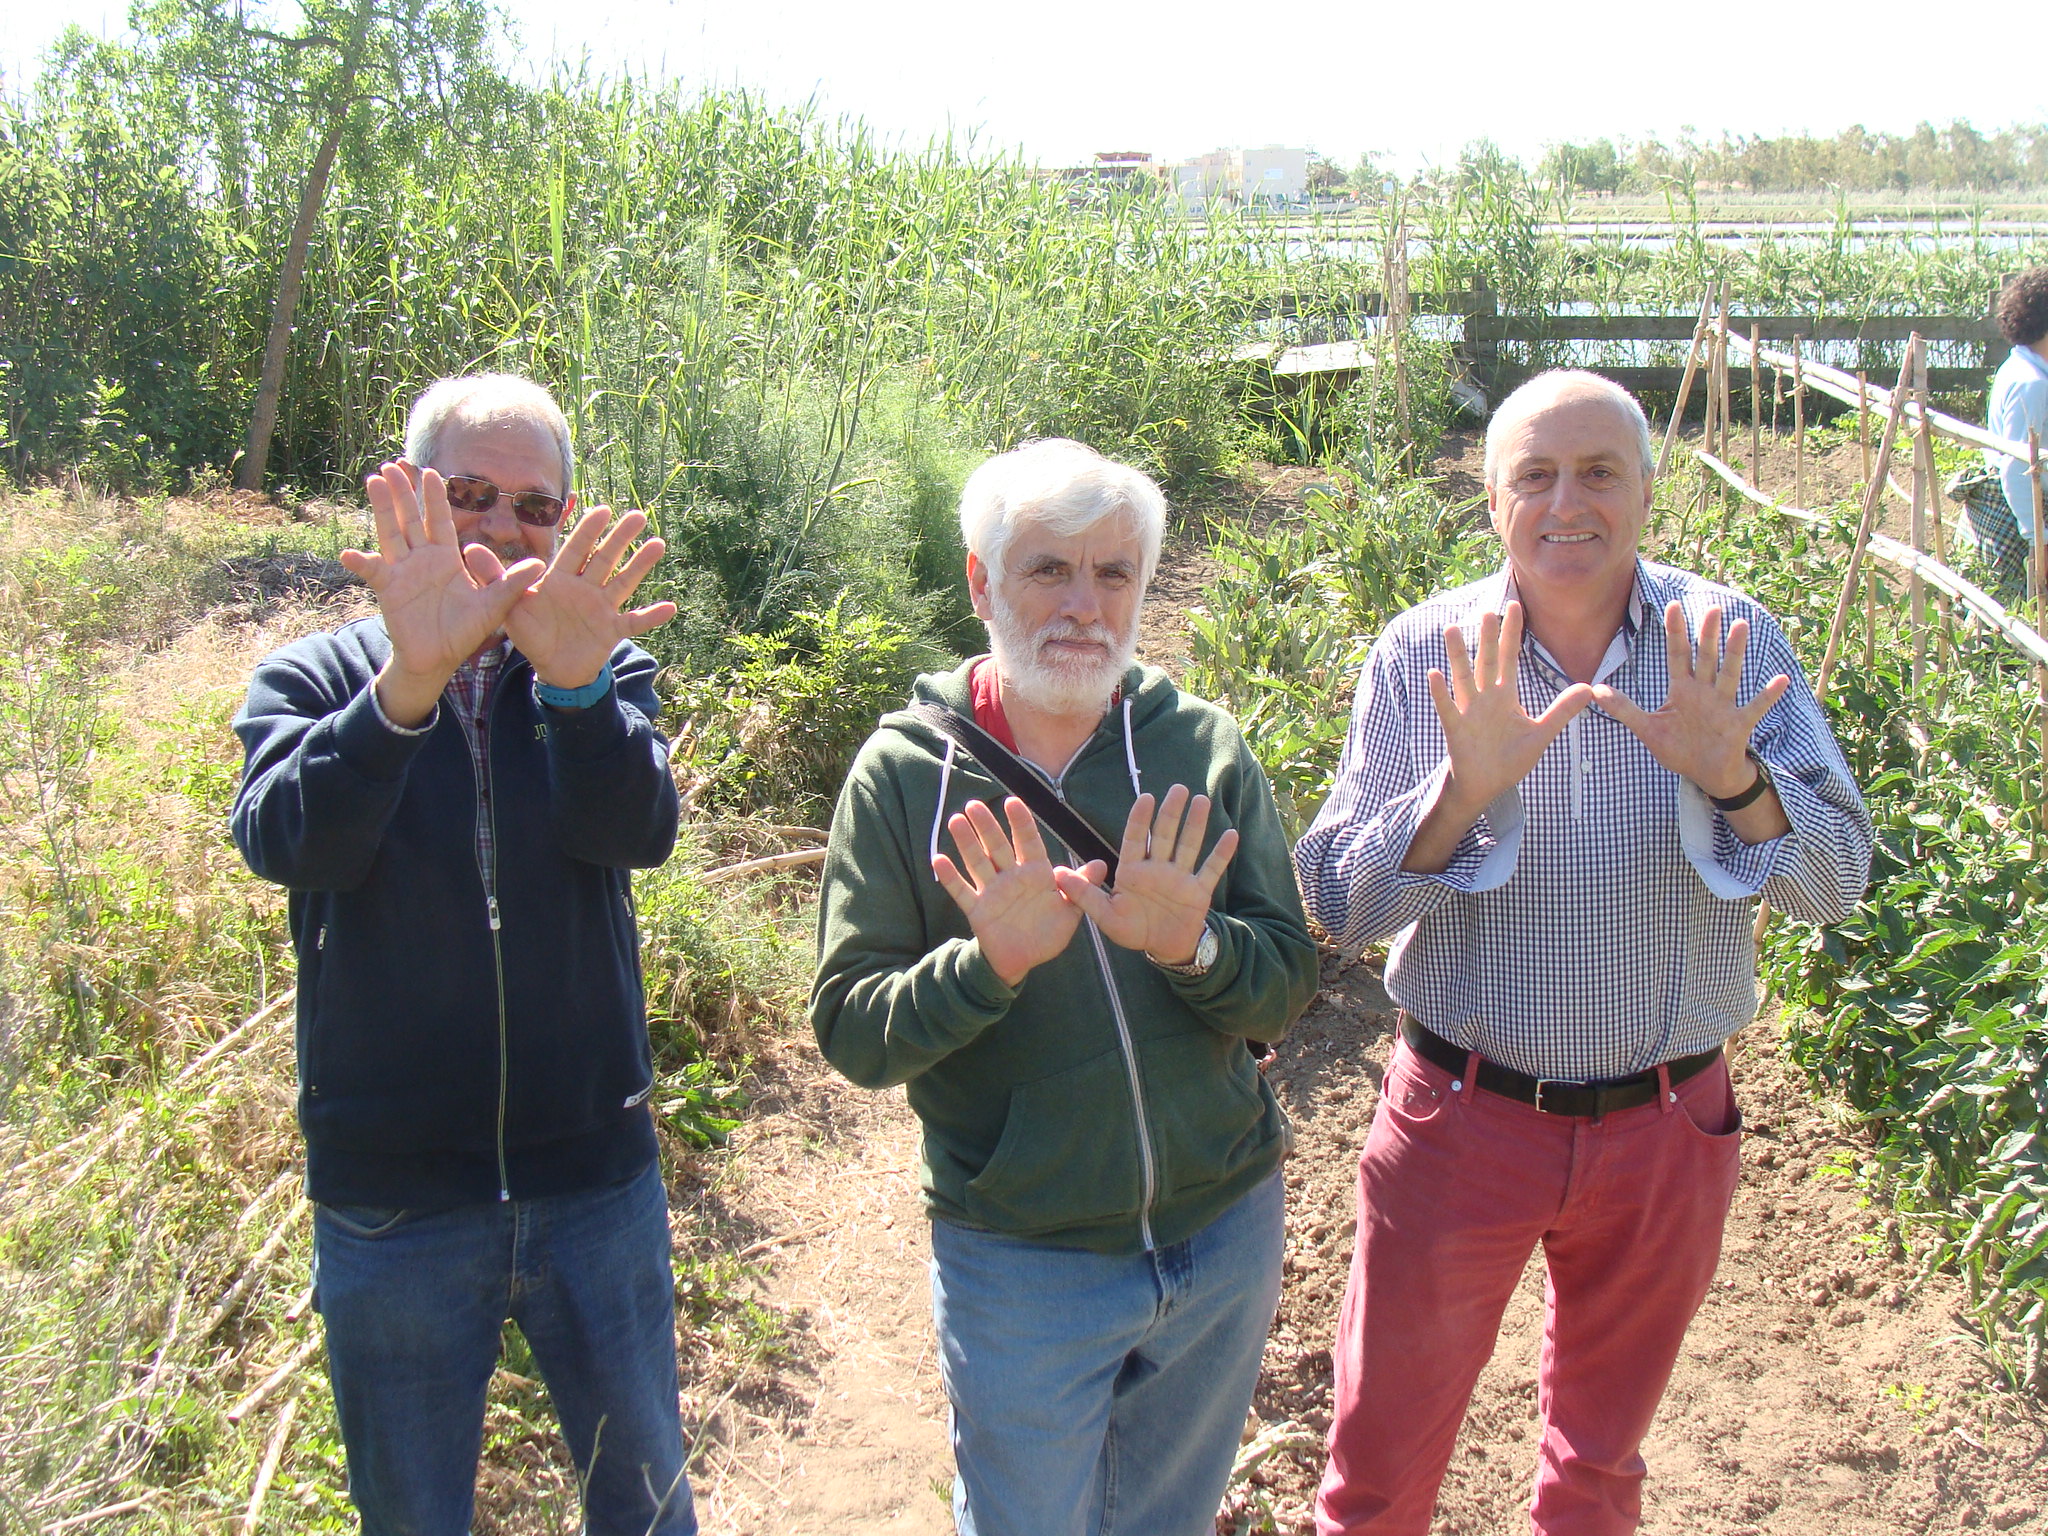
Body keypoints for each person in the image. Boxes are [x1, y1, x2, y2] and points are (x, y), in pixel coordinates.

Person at [1294, 371, 1872, 1536]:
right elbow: (1330, 904)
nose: (1568, 503)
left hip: (1666, 1127)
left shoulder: (1725, 640)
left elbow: (1836, 883)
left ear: (1646, 492)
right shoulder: (1425, 654)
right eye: (1535, 476)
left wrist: (1735, 782)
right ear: (1491, 500)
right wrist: (1457, 793)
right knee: (1377, 1465)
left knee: (1597, 1466)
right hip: (1462, 1122)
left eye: (1598, 472)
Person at [811, 438, 1319, 1536]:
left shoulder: (1200, 749)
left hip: (1222, 1229)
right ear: (979, 582)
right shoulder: (902, 777)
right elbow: (854, 1034)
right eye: (1047, 569)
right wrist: (985, 964)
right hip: (1022, 1260)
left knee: (1163, 1518)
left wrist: (1193, 947)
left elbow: (1280, 989)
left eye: (1113, 573)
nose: (1083, 606)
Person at [231, 374, 696, 1536]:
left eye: (534, 507)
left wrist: (582, 691)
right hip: (395, 1200)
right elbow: (290, 844)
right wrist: (409, 683)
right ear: (414, 505)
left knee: (643, 1507)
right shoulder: (319, 677)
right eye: (471, 493)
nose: (501, 526)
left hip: (593, 1178)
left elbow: (634, 831)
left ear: (567, 520)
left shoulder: (595, 664)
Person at [1966, 266, 2048, 595]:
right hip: (2019, 522)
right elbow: (2018, 469)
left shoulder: (2021, 366)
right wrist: (2038, 540)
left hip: (2018, 514)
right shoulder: (2032, 383)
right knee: (2018, 615)